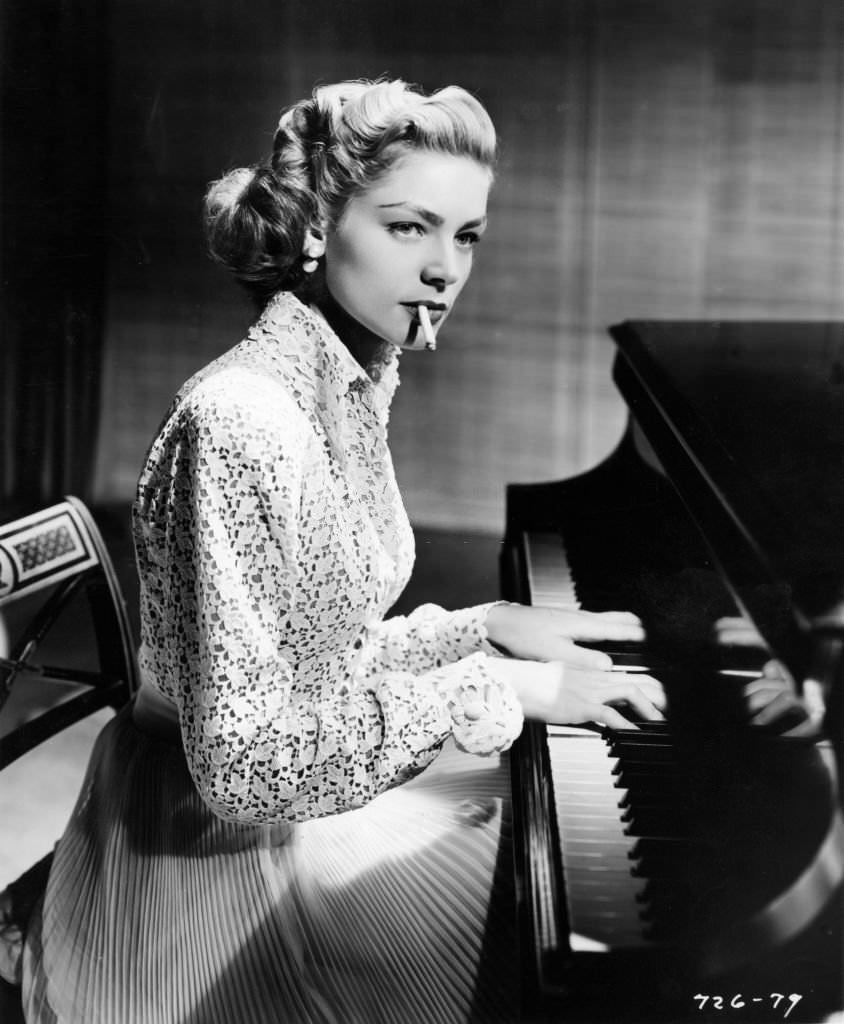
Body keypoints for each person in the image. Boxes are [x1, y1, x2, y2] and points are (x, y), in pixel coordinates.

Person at [21, 79, 666, 1024]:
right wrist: (502, 689)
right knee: (560, 922)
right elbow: (244, 766)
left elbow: (326, 653)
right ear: (319, 224)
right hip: (208, 879)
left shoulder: (345, 383)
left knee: (533, 832)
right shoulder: (244, 417)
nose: (447, 267)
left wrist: (487, 629)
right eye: (411, 228)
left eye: (467, 235)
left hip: (272, 823)